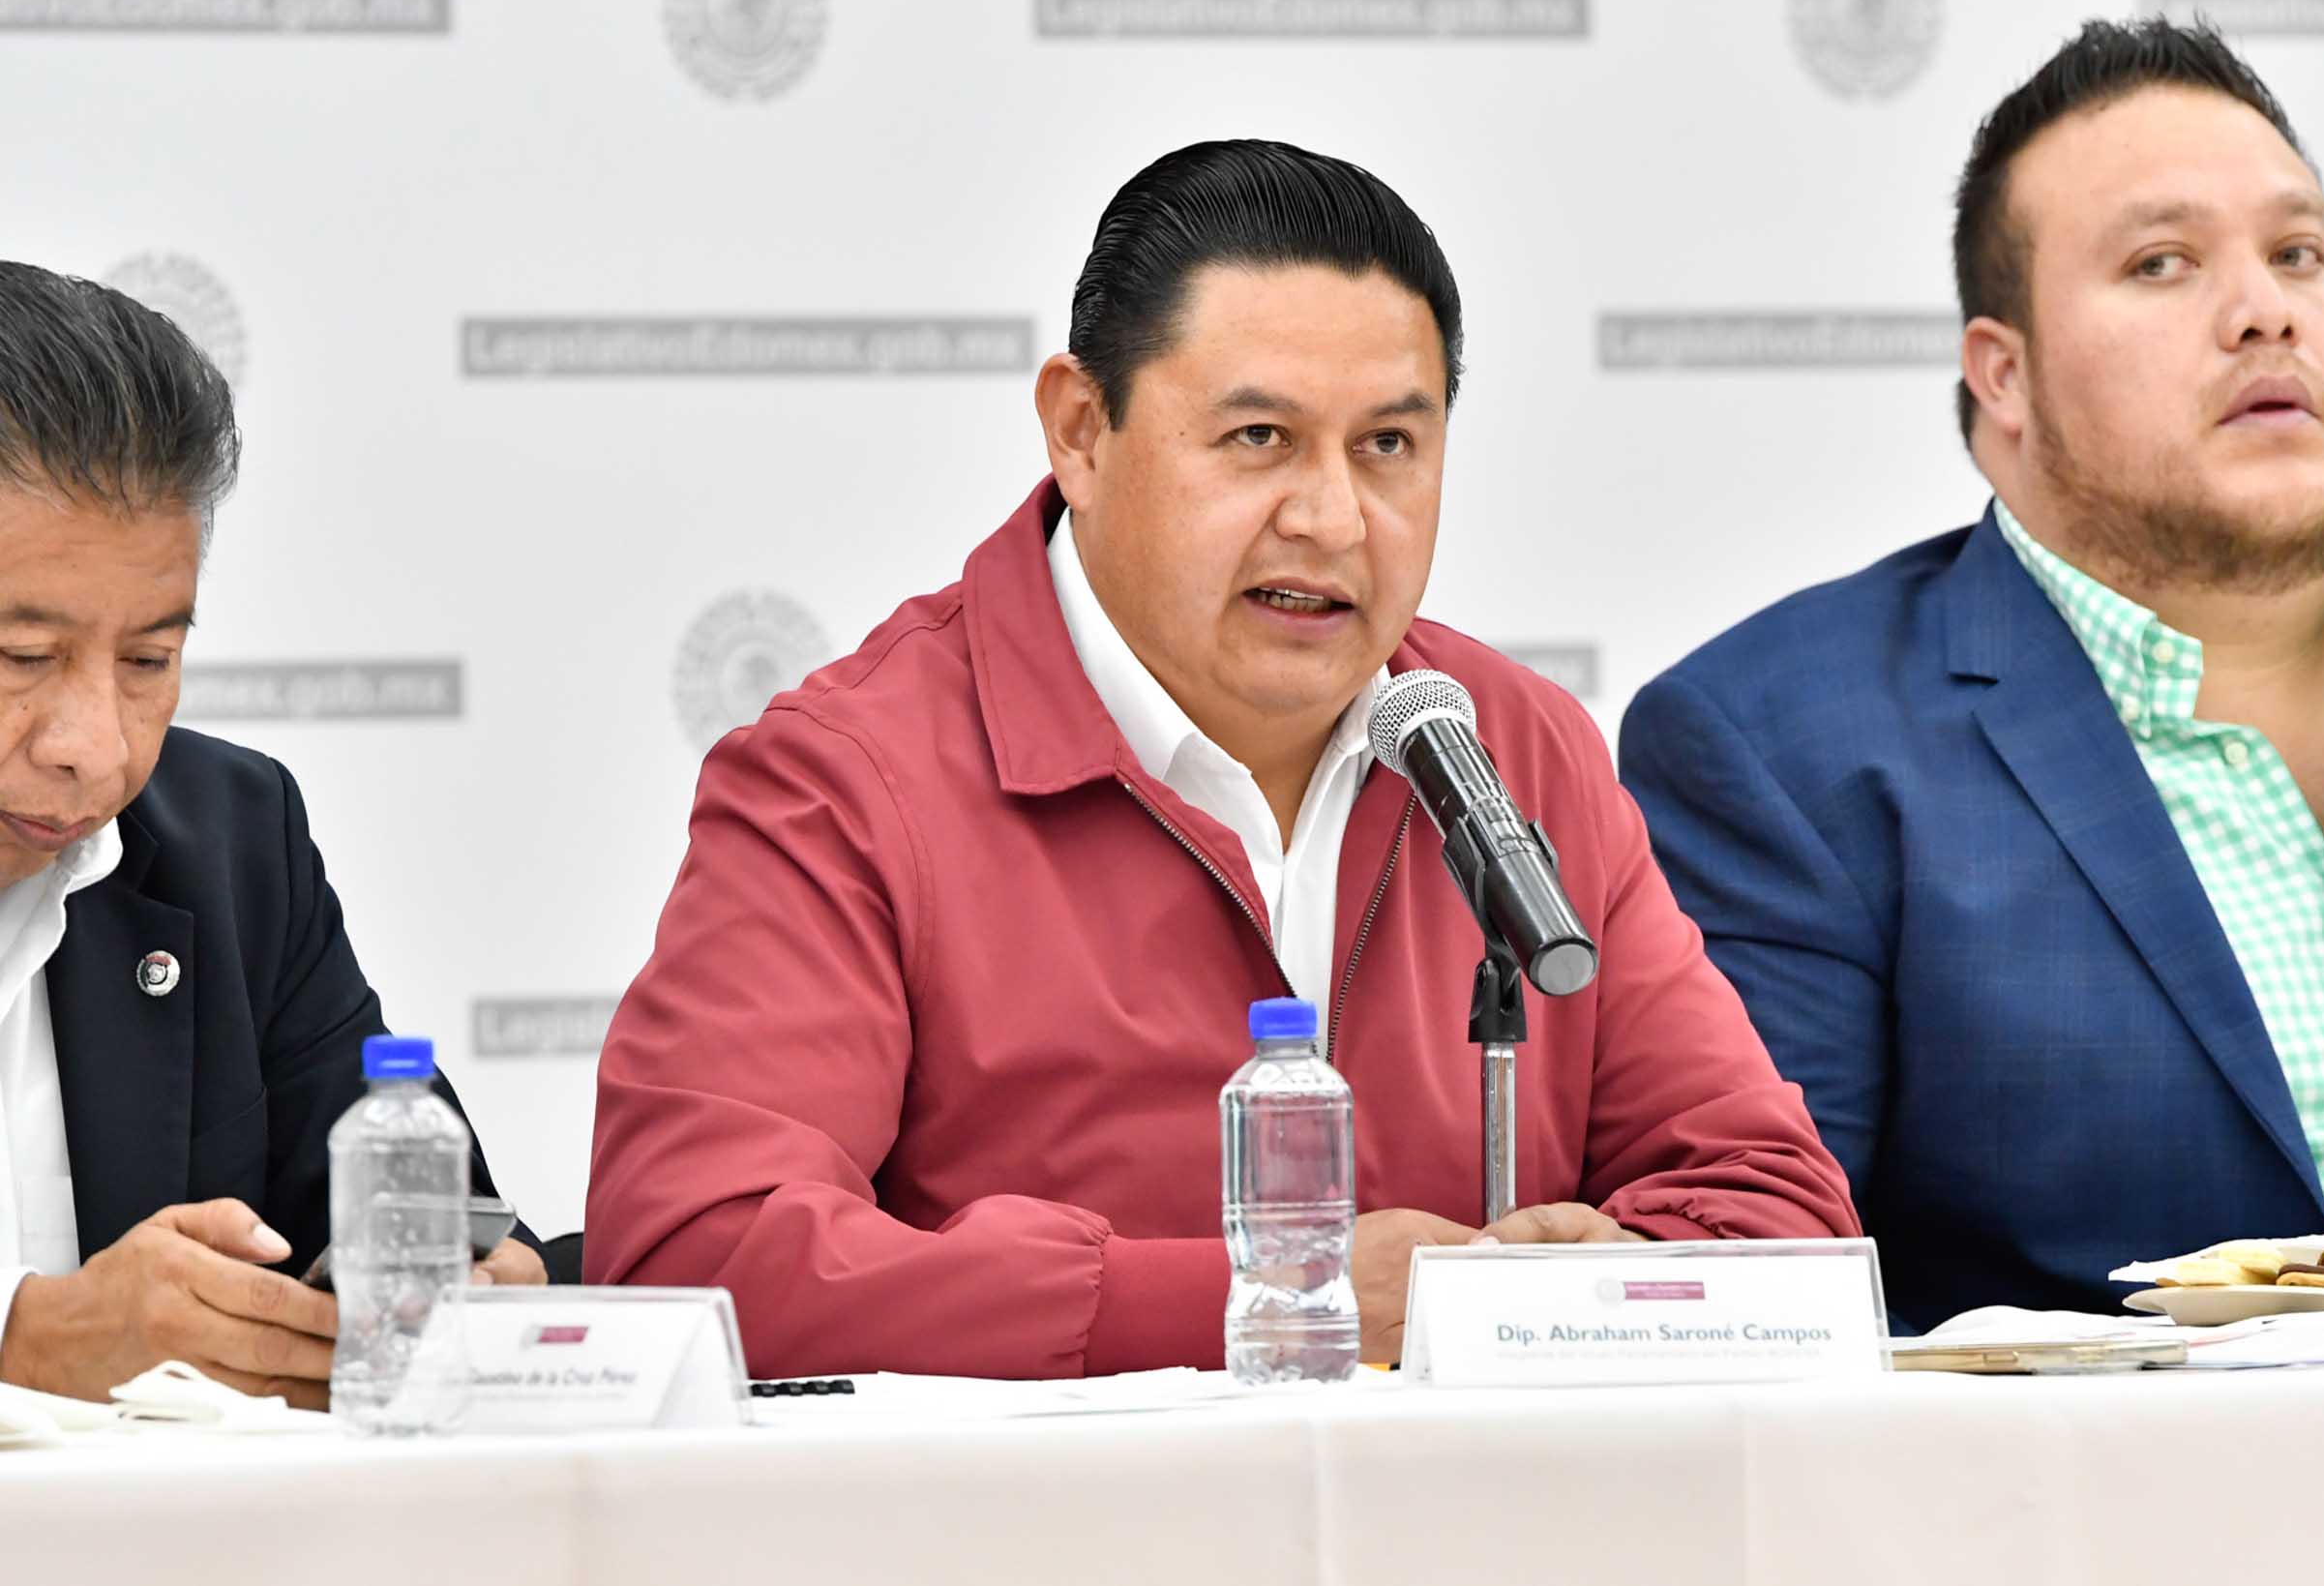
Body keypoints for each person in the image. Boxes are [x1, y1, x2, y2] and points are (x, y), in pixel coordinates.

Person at [587, 139, 1857, 1379]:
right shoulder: (851, 780)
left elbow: (1779, 1211)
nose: (1332, 518)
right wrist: (1268, 1299)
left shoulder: (1514, 749)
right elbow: (700, 1254)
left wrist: (1602, 1289)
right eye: (1259, 437)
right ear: (1081, 430)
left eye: (1388, 447)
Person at [1621, 19, 2324, 1332]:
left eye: (2298, 253)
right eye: (2161, 263)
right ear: (2006, 375)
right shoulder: (1782, 748)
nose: (2265, 309)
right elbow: (1756, 1312)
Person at [0, 262, 542, 1408]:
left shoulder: (232, 843)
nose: (96, 748)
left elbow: (418, 1211)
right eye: (22, 657)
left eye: (149, 659)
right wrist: (20, 1339)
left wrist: (468, 1281)